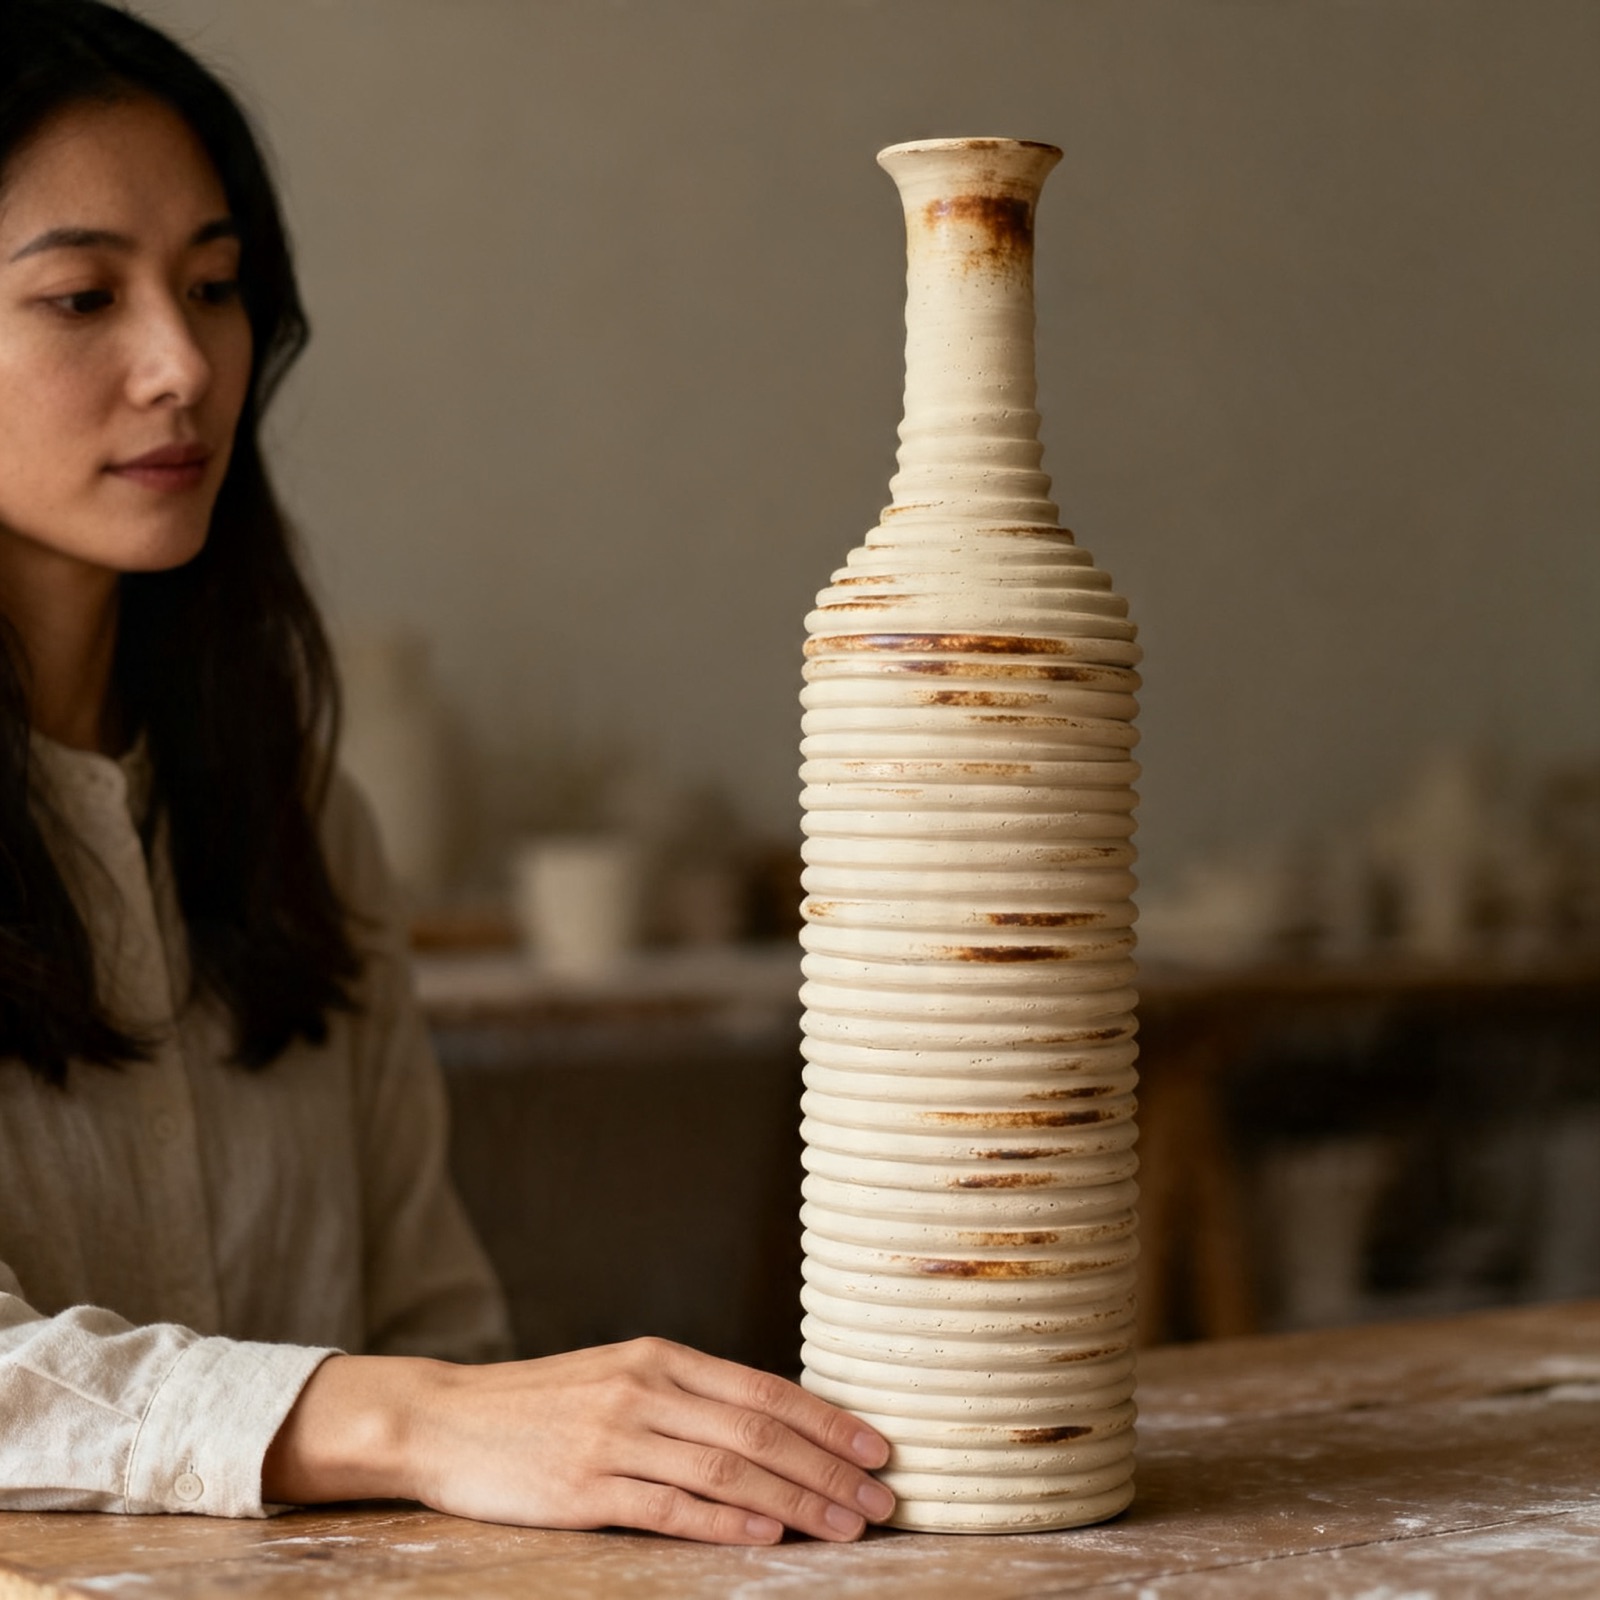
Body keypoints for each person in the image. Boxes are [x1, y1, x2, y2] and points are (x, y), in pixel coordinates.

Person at [0, 0, 893, 1545]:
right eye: (81, 297)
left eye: (214, 287)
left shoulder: (303, 828)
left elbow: (436, 1314)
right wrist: (404, 1414)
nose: (180, 365)